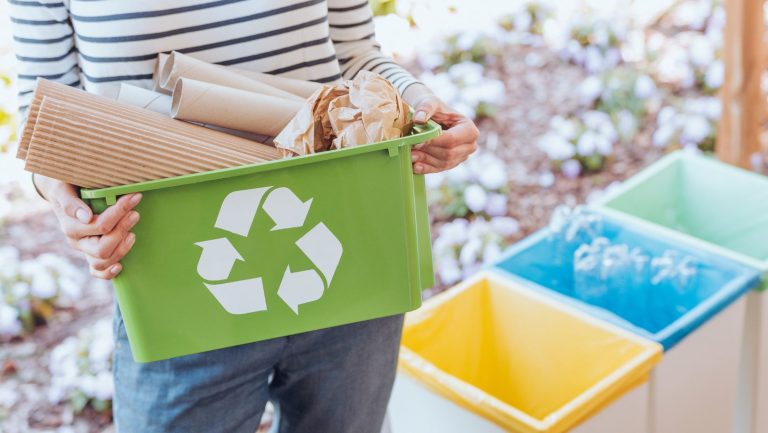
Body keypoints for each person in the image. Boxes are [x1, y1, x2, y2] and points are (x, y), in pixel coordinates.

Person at [9, 1, 478, 432]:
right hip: (173, 277)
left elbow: (354, 52)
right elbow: (45, 107)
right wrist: (65, 203)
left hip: (346, 251)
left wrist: (423, 107)